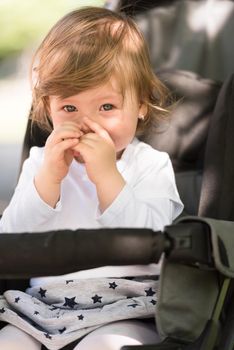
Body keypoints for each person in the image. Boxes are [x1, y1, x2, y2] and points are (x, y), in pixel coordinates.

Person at [0, 6, 183, 350]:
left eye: (107, 107)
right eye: (70, 109)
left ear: (141, 104)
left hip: (128, 309)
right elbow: (10, 243)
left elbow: (155, 247)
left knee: (102, 345)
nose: (89, 124)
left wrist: (106, 176)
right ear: (47, 107)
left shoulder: (150, 165)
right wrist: (49, 180)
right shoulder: (41, 162)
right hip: (42, 309)